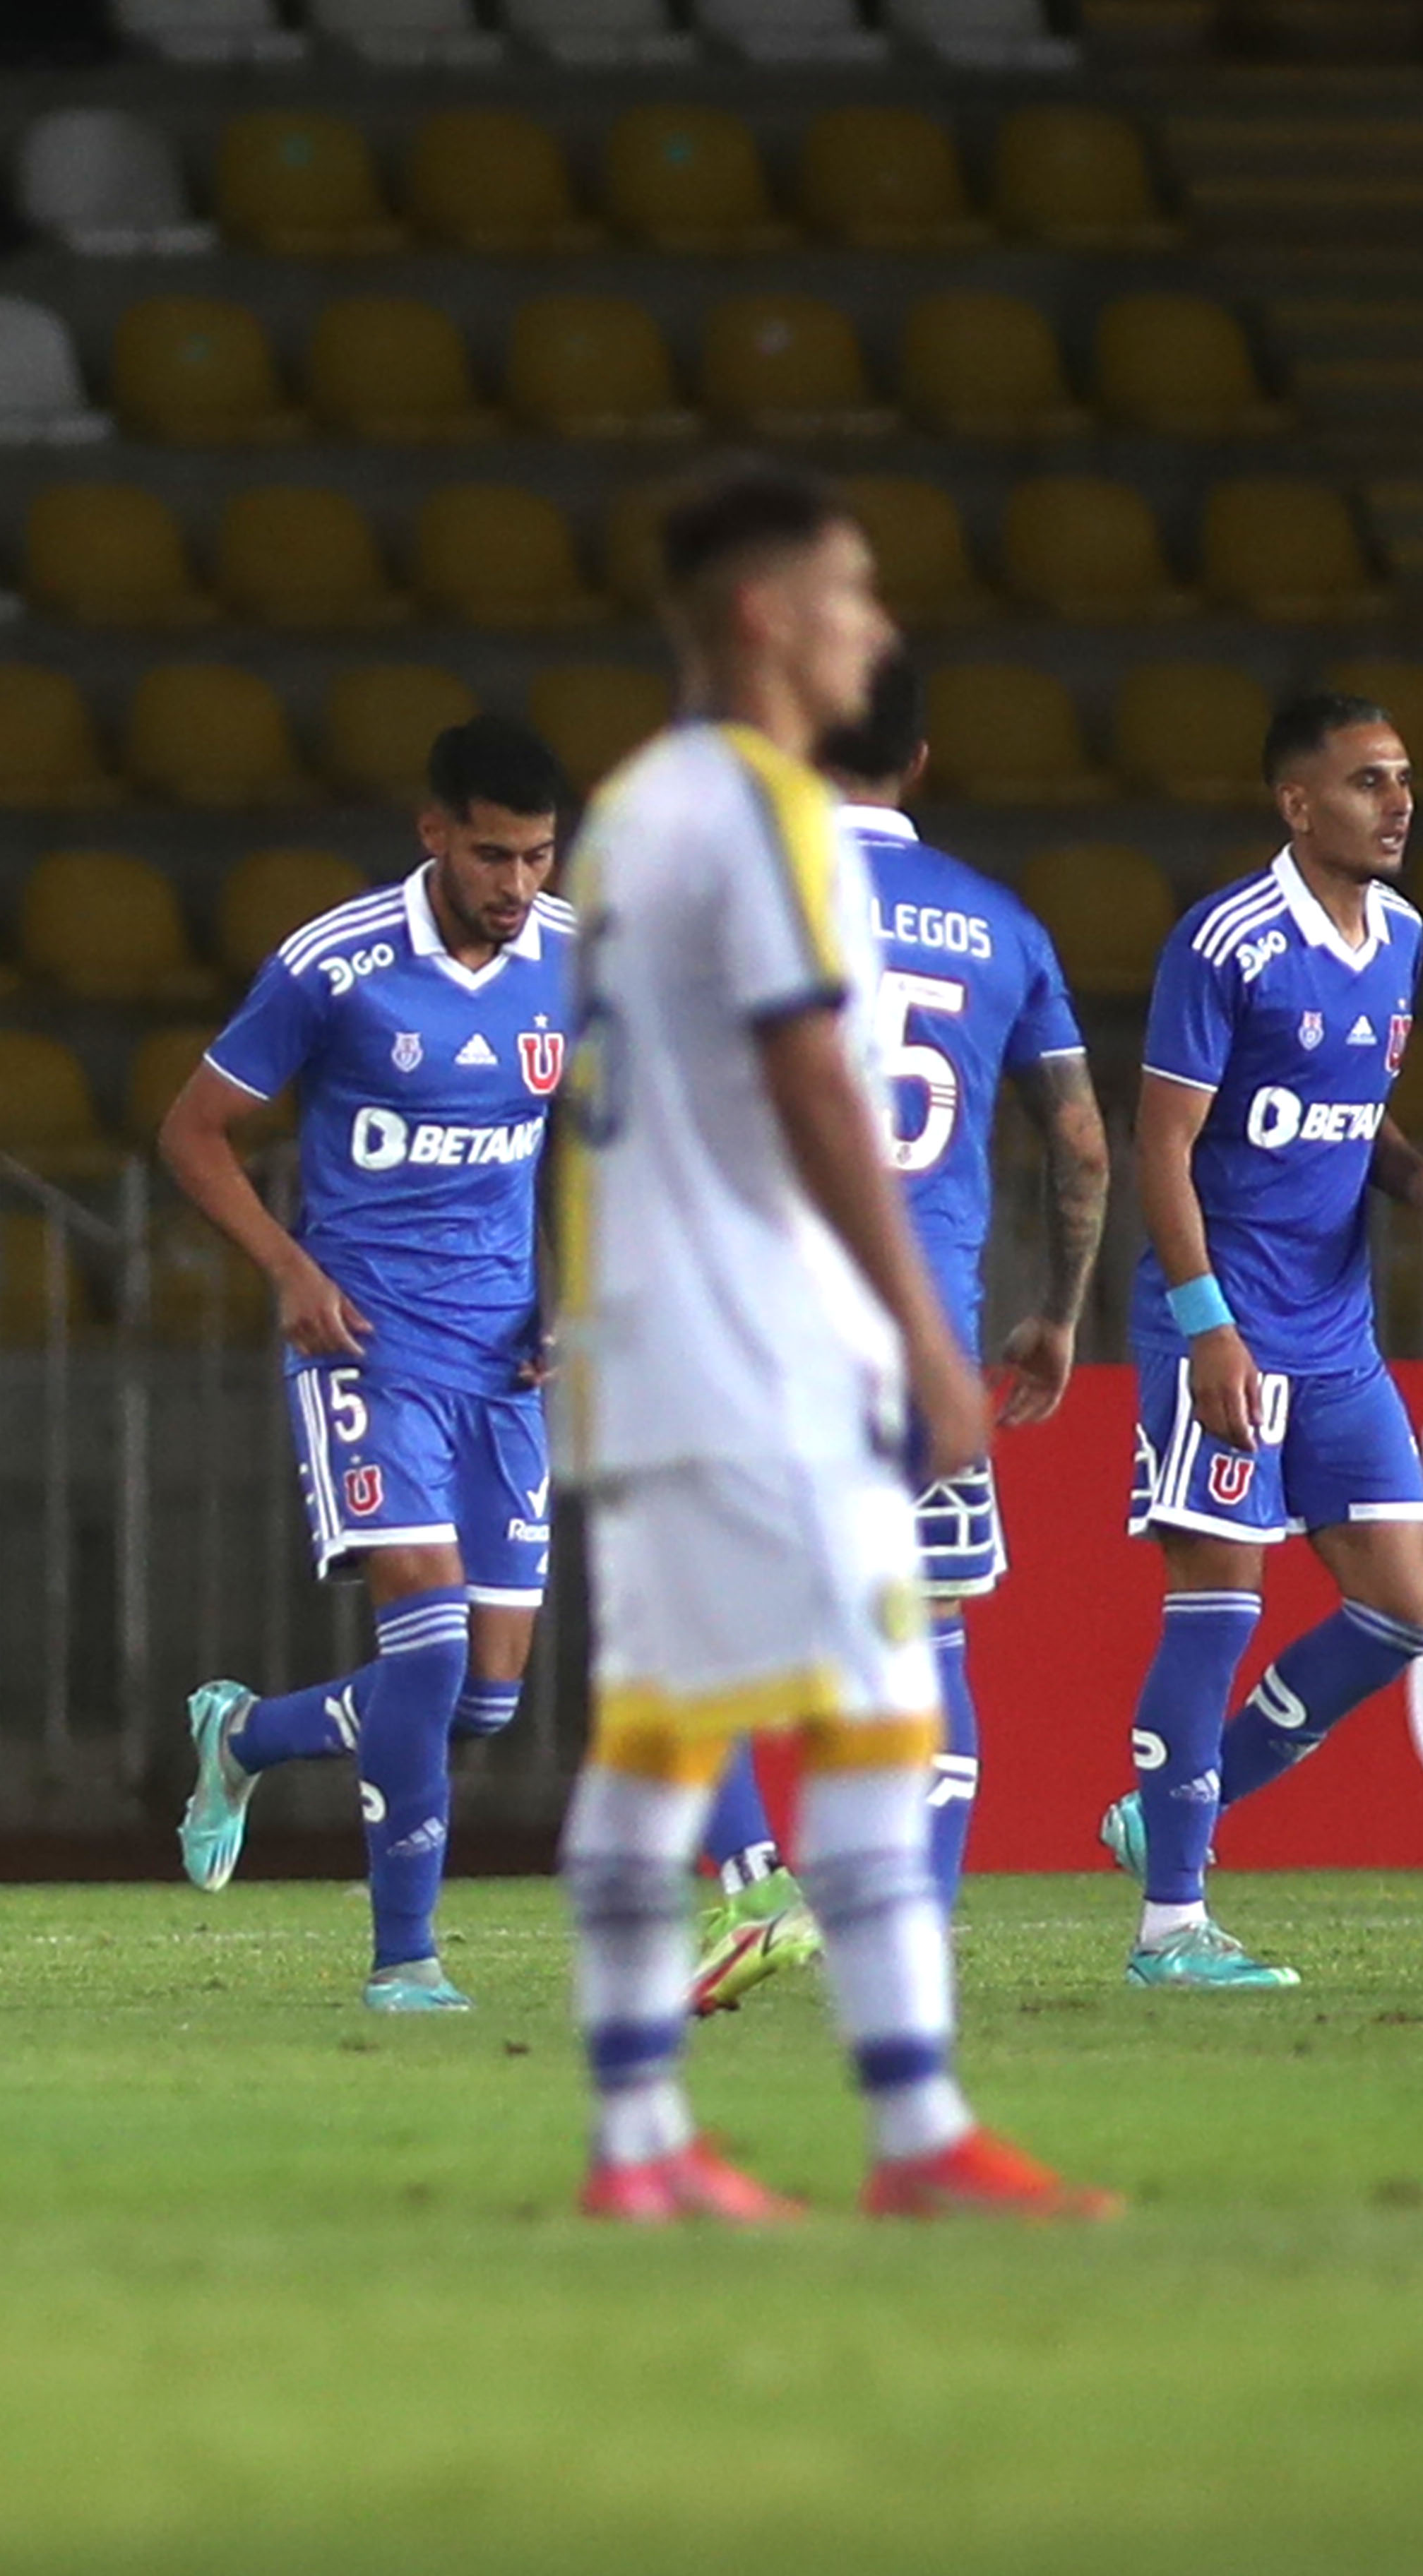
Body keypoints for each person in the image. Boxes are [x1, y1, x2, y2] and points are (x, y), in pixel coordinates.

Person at [554, 460, 1105, 2222]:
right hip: (761, 1348)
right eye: (850, 595)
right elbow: (807, 1084)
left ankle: (675, 2138)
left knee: (675, 1735)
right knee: (867, 1717)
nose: (873, 627)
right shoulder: (763, 820)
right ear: (760, 616)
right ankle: (889, 2134)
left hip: (652, 1336)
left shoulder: (631, 811)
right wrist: (919, 1339)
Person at [684, 651, 1112, 2014]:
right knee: (929, 1641)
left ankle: (758, 1888)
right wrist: (1051, 1314)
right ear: (920, 762)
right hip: (927, 1347)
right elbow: (1082, 1146)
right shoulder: (1002, 926)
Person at [159, 716, 576, 2013]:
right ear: (434, 833)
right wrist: (290, 1271)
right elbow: (193, 1132)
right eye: (496, 856)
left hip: (503, 1365)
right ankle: (406, 1958)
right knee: (434, 1646)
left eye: (541, 858)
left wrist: (561, 1293)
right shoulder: (334, 965)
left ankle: (245, 1732)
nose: (518, 886)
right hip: (368, 1346)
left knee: (486, 1698)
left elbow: (561, 1148)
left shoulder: (572, 961)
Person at [1098, 692, 1423, 1988]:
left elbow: (1354, 1127)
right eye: (1366, 782)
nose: (1396, 803)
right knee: (1214, 1608)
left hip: (1335, 1335)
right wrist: (1206, 1328)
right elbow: (1160, 1150)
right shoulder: (1224, 941)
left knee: (1402, 1607)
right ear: (1298, 803)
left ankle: (1175, 1806)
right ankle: (1167, 1925)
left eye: (1401, 779)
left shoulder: (1401, 936)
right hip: (1220, 1327)